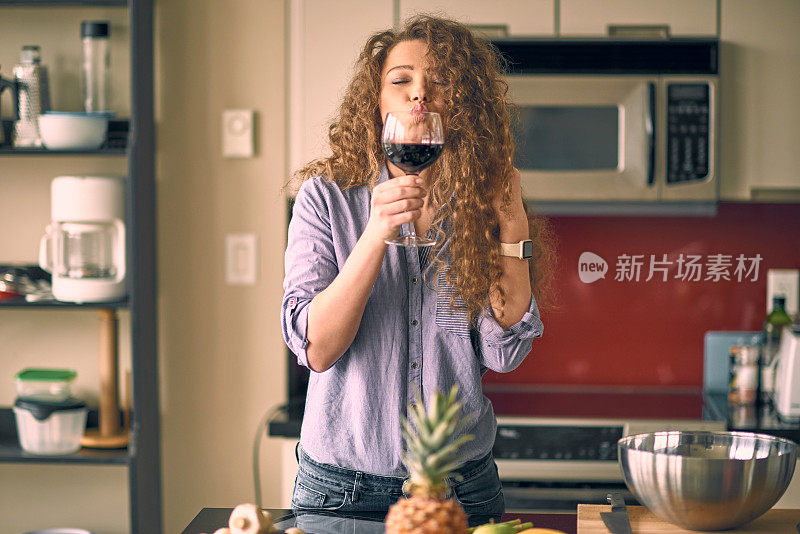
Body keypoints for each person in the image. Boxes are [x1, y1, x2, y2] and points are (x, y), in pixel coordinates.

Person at [281, 14, 552, 516]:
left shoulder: (481, 201)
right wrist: (376, 232)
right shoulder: (327, 200)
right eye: (400, 80)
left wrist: (514, 230)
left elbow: (503, 353)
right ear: (376, 102)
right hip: (343, 495)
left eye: (440, 83)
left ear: (462, 105)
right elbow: (317, 348)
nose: (419, 95)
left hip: (462, 493)